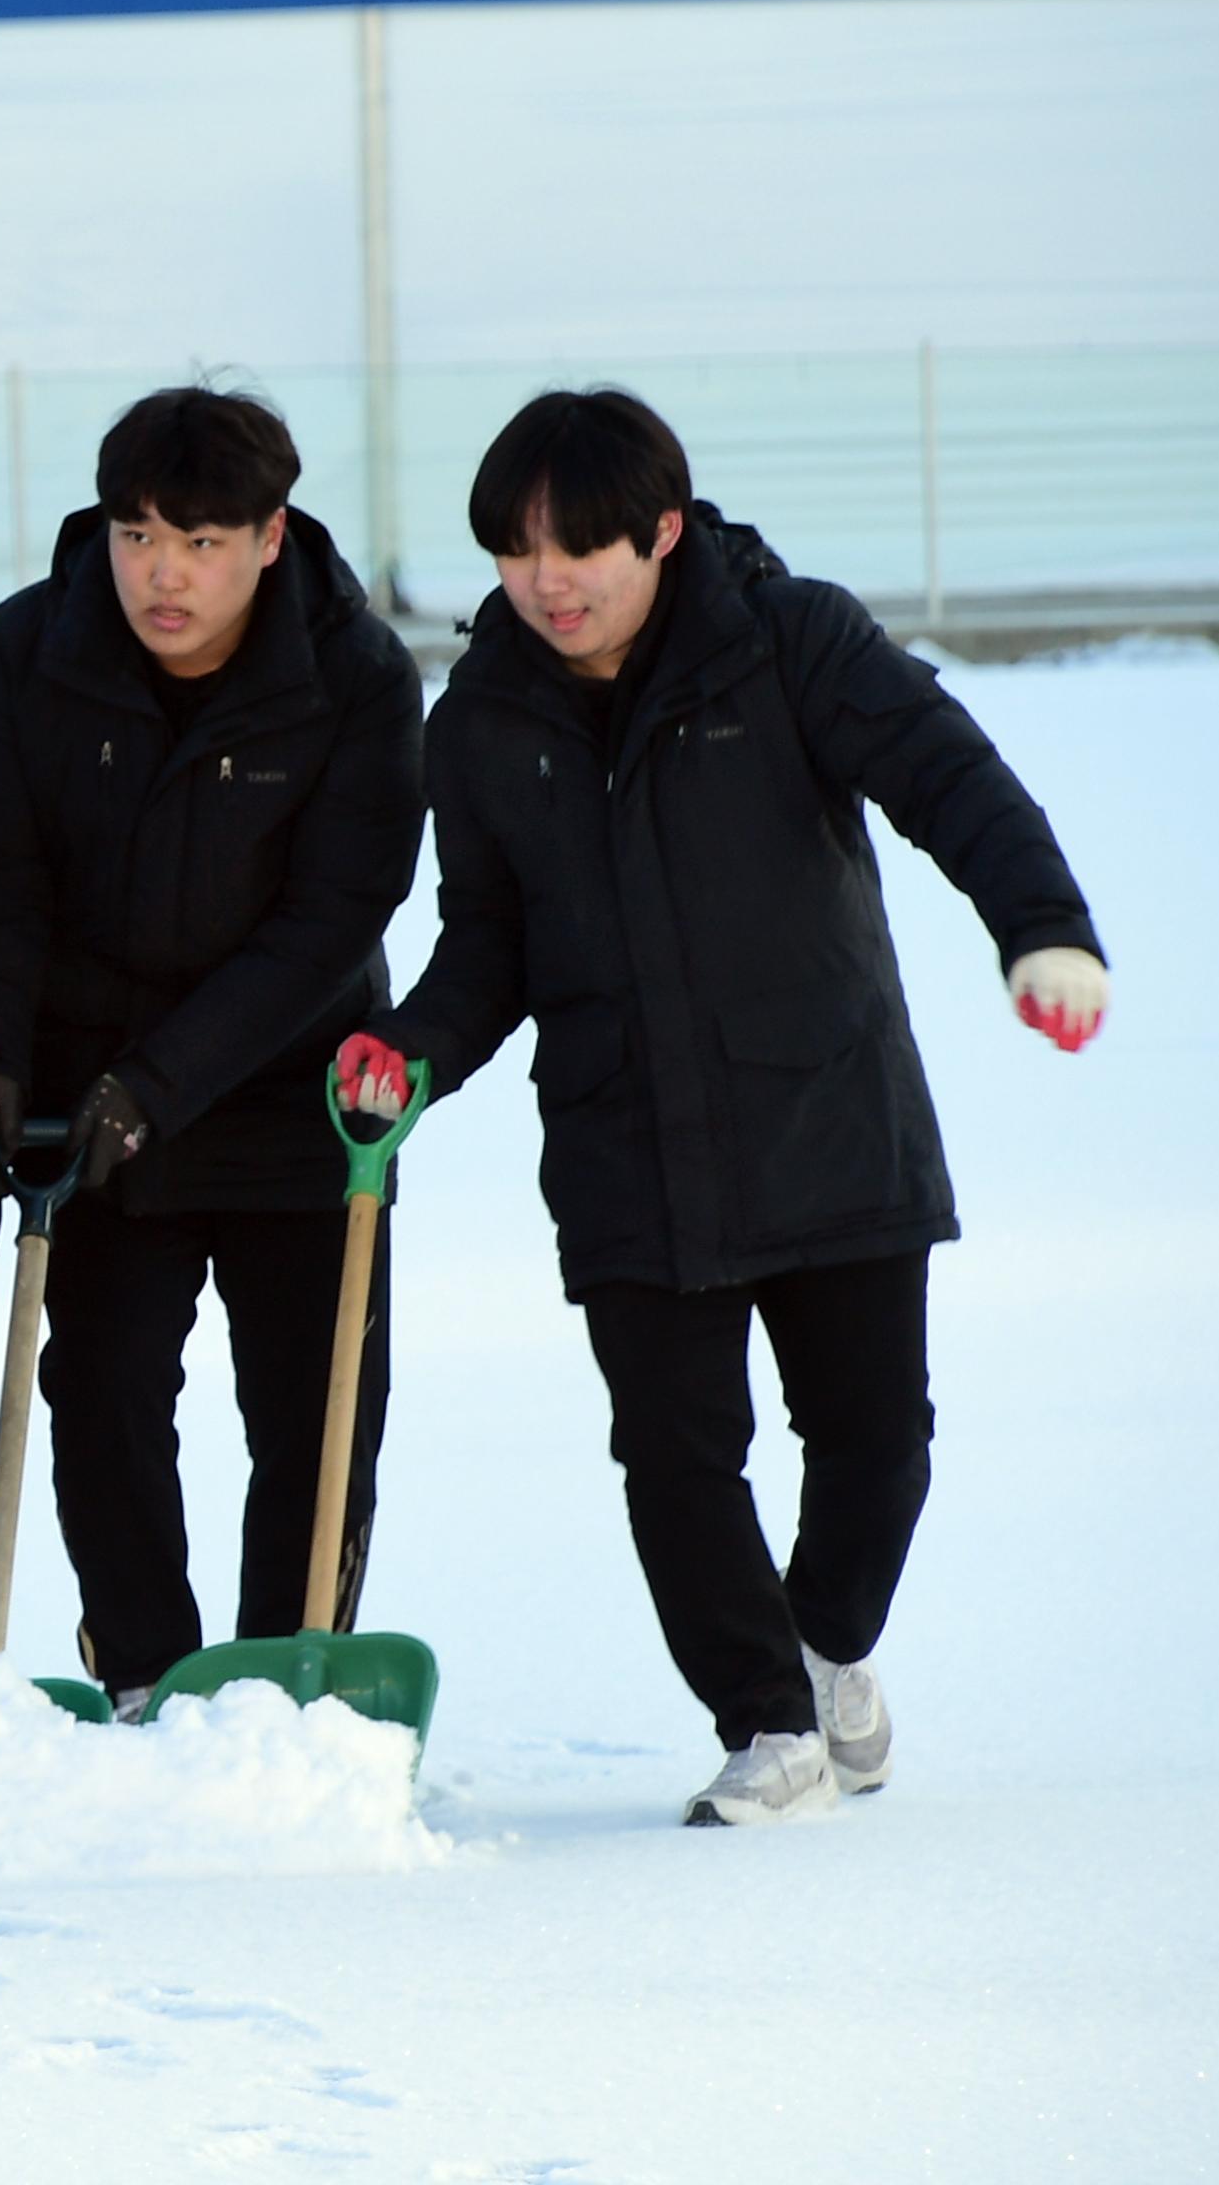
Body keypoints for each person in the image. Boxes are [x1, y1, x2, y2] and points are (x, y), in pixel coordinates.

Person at [342, 388, 1105, 1825]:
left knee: (876, 1442)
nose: (545, 584)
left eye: (579, 550)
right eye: (514, 552)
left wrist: (1041, 927)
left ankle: (824, 1652)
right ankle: (764, 1726)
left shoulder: (792, 640)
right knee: (677, 1455)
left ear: (666, 533)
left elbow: (953, 778)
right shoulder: (487, 719)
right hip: (627, 1142)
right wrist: (412, 1050)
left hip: (826, 1112)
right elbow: (489, 941)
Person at [0, 385, 425, 1716]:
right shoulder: (29, 650)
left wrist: (155, 1090)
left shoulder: (356, 673)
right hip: (86, 1087)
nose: (164, 572)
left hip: (286, 1082)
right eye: (138, 532)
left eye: (203, 541)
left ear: (272, 537)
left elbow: (332, 920)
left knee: (314, 1413)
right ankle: (149, 1667)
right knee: (96, 1394)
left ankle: (285, 1683)